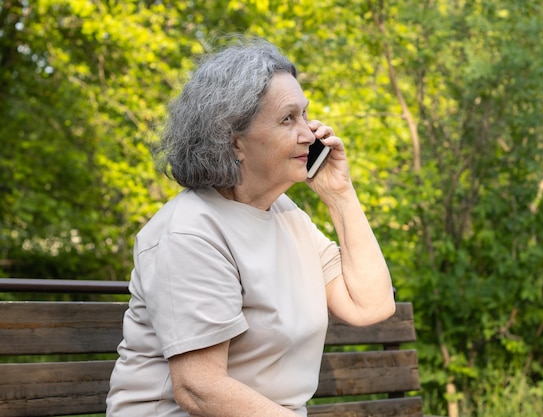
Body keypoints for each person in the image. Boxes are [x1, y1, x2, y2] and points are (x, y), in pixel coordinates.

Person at [106, 36, 395, 417]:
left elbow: (370, 306)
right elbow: (200, 389)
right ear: (233, 139)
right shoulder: (190, 232)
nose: (309, 133)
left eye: (305, 115)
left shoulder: (285, 214)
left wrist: (340, 194)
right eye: (288, 118)